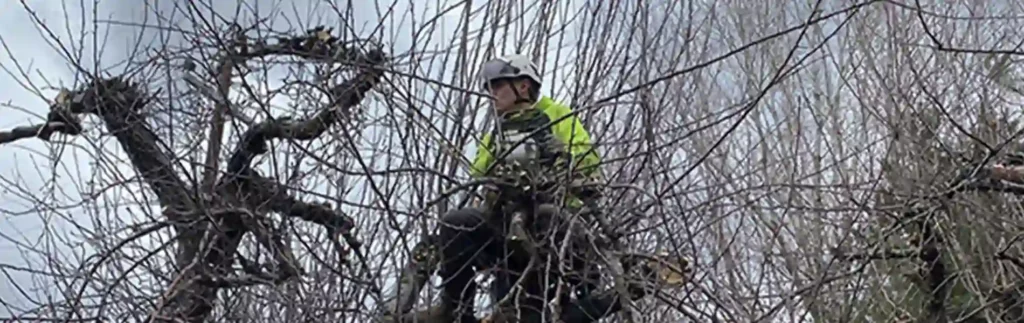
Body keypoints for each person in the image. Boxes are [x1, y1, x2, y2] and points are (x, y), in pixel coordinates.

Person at [436, 54, 603, 323]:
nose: (492, 95)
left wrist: (559, 165)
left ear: (523, 86)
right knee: (457, 223)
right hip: (504, 219)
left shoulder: (557, 115)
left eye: (498, 86)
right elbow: (478, 172)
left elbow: (587, 159)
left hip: (548, 225)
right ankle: (457, 312)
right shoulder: (497, 132)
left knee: (527, 310)